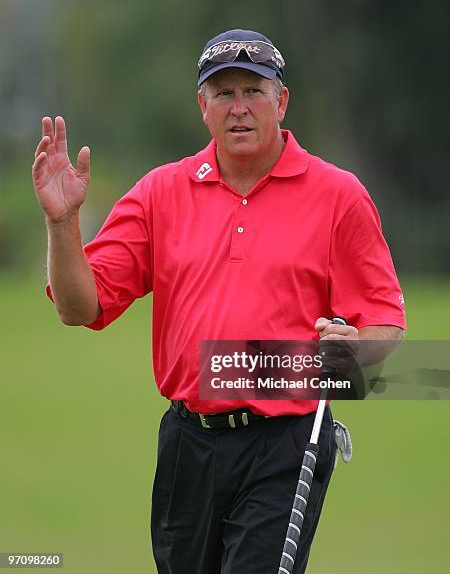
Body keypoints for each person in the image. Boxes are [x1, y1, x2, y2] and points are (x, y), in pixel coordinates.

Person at [32, 28, 406, 573]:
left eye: (253, 91)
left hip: (286, 440)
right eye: (223, 93)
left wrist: (354, 351)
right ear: (202, 107)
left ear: (281, 101)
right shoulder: (160, 191)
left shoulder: (338, 195)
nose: (239, 108)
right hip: (188, 441)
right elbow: (78, 306)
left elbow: (387, 325)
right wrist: (62, 223)